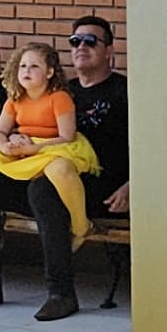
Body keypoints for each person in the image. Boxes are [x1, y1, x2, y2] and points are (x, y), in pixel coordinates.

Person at [0, 40, 103, 320]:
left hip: (53, 155)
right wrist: (7, 145)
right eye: (22, 66)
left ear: (50, 72)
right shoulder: (15, 98)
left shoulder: (59, 98)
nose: (27, 71)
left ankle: (61, 293)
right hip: (22, 158)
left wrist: (33, 147)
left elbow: (67, 137)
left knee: (42, 190)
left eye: (34, 66)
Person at [62, 16, 134, 218]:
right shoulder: (63, 92)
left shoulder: (126, 91)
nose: (81, 47)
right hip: (65, 179)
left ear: (109, 51)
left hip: (110, 192)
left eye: (90, 41)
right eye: (75, 41)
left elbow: (150, 146)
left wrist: (132, 186)